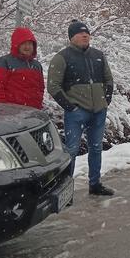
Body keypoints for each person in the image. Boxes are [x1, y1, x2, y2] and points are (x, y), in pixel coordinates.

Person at [48, 20, 115, 196]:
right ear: (71, 37)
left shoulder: (98, 55)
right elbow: (53, 86)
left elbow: (109, 79)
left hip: (99, 111)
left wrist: (106, 100)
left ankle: (95, 185)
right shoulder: (62, 57)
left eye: (87, 33)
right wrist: (71, 107)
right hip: (77, 113)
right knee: (71, 149)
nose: (85, 35)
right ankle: (65, 191)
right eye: (80, 33)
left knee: (96, 147)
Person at [0, 27, 44, 109]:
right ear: (16, 44)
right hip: (12, 114)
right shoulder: (4, 62)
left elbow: (40, 88)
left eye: (30, 43)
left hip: (33, 113)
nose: (27, 47)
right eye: (23, 43)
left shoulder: (37, 65)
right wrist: (5, 109)